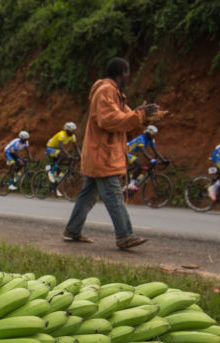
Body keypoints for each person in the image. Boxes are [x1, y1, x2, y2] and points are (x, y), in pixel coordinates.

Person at [63, 57, 160, 250]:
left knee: (88, 195)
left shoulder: (115, 94)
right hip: (103, 156)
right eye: (128, 71)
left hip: (100, 155)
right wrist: (140, 115)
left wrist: (143, 118)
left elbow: (126, 120)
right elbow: (109, 120)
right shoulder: (106, 91)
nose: (129, 76)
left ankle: (73, 229)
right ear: (121, 73)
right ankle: (125, 236)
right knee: (114, 195)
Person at [125, 125, 167, 196]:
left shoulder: (151, 139)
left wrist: (164, 160)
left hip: (132, 154)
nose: (154, 136)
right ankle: (131, 184)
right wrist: (152, 160)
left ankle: (131, 177)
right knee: (138, 163)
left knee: (140, 166)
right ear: (148, 133)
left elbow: (155, 150)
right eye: (153, 134)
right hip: (124, 152)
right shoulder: (141, 139)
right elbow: (144, 152)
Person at [45, 122, 78, 194]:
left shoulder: (72, 136)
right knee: (63, 156)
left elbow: (76, 147)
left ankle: (54, 187)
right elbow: (61, 146)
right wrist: (68, 155)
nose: (74, 131)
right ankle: (51, 172)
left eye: (74, 130)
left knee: (60, 174)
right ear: (67, 130)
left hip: (57, 150)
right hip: (50, 148)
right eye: (72, 130)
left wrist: (81, 156)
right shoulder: (62, 134)